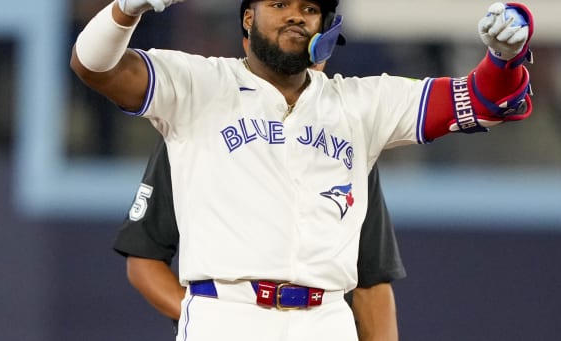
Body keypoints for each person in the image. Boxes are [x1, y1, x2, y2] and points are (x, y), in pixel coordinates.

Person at [70, 0, 535, 341]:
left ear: (325, 26)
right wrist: (123, 11)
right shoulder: (199, 84)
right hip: (225, 313)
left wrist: (504, 59)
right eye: (280, 3)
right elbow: (94, 67)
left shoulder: (359, 103)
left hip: (327, 318)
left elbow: (482, 100)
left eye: (310, 8)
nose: (296, 14)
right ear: (247, 18)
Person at [114, 130, 406, 341]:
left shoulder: (347, 140)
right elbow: (144, 258)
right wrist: (214, 313)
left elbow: (372, 281)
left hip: (322, 322)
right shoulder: (196, 122)